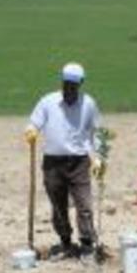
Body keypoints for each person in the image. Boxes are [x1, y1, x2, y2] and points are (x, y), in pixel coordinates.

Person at [24, 63, 103, 259]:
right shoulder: (48, 102)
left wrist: (99, 158)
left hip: (79, 162)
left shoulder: (89, 104)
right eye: (67, 84)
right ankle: (66, 242)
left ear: (81, 84)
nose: (69, 88)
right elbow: (34, 122)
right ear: (62, 81)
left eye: (74, 85)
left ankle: (86, 245)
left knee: (84, 205)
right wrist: (31, 131)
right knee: (58, 206)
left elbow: (98, 132)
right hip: (52, 162)